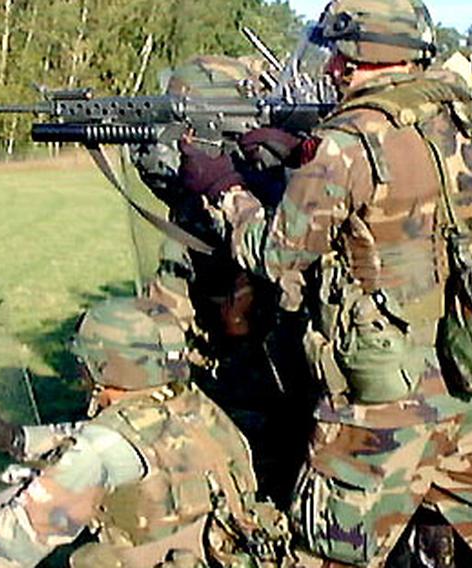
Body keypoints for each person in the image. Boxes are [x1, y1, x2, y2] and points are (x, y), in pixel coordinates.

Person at [180, 0, 472, 565]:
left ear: (354, 56)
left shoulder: (348, 139)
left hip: (385, 401)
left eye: (338, 54)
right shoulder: (465, 118)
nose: (332, 68)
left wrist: (221, 187)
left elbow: (277, 253)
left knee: (325, 551)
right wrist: (302, 156)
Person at [0, 297, 289, 567]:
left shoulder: (101, 448)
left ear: (104, 364)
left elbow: (10, 548)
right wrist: (18, 439)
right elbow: (96, 435)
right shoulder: (191, 404)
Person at [135, 55, 318, 508]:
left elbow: (276, 253)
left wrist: (228, 184)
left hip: (279, 358)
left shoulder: (283, 179)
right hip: (224, 332)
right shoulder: (196, 195)